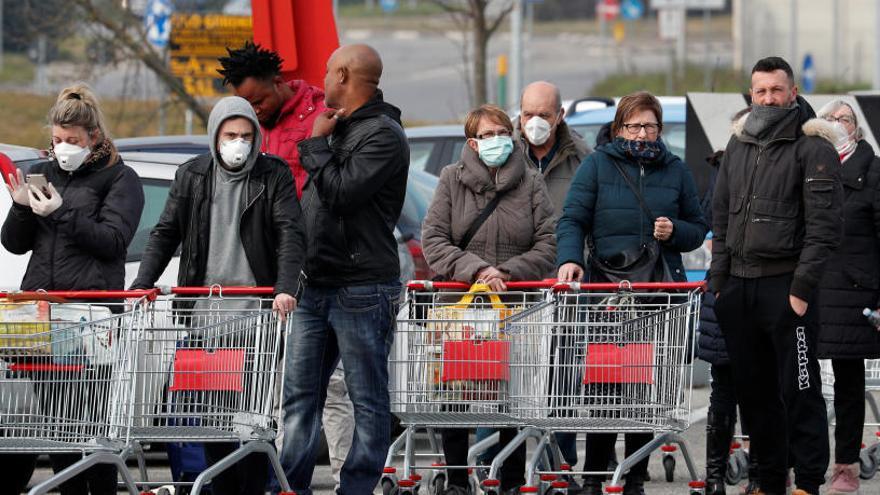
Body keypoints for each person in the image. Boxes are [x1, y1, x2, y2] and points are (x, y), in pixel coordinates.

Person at [130, 95, 305, 495]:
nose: (238, 143)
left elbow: (291, 234)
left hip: (256, 320)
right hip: (205, 321)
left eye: (246, 135)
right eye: (231, 135)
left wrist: (284, 289)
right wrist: (143, 282)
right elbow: (165, 231)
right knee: (210, 419)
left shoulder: (272, 175)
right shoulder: (192, 175)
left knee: (251, 422)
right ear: (215, 136)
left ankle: (249, 489)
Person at [556, 91, 708, 495]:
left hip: (655, 294)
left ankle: (635, 476)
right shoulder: (597, 165)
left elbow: (698, 226)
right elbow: (572, 219)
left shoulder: (675, 169)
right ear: (620, 127)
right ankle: (594, 475)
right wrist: (569, 259)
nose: (643, 134)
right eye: (635, 125)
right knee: (605, 384)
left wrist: (675, 231)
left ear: (660, 129)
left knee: (644, 390)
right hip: (608, 291)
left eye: (651, 126)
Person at [218, 40, 354, 490]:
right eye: (246, 104)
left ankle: (345, 479)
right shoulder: (250, 130)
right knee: (279, 389)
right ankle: (279, 479)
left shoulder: (319, 111)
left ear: (279, 82)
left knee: (329, 388)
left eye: (259, 100)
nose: (254, 110)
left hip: (319, 269)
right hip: (271, 273)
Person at [1, 83, 145, 494]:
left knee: (91, 430)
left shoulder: (120, 178)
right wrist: (21, 207)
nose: (64, 147)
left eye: (73, 140)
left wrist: (63, 212)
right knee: (58, 428)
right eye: (58, 140)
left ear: (93, 137)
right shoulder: (45, 174)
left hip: (89, 318)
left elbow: (113, 241)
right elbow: (14, 243)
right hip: (44, 317)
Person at [709, 56, 843, 495]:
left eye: (776, 90)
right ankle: (767, 481)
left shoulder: (813, 148)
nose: (768, 98)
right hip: (739, 291)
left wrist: (801, 292)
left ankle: (806, 483)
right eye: (760, 90)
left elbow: (824, 230)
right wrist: (719, 284)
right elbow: (722, 219)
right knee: (756, 396)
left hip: (787, 290)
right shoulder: (738, 145)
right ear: (751, 94)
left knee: (800, 391)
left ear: (793, 93)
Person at [279, 44, 408, 495]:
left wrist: (315, 143)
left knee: (367, 399)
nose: (323, 81)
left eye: (329, 72)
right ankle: (289, 484)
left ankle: (356, 486)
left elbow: (340, 193)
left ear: (345, 75)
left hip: (362, 288)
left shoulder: (383, 134)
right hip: (315, 287)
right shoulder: (340, 128)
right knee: (299, 399)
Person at [421, 103, 557, 494]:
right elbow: (433, 240)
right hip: (461, 305)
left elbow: (548, 242)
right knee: (456, 394)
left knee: (509, 396)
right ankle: (458, 479)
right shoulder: (450, 179)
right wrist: (478, 271)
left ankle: (512, 480)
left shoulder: (530, 182)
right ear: (472, 143)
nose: (496, 141)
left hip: (512, 305)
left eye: (502, 133)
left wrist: (507, 272)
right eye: (487, 135)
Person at [814, 99, 880, 495]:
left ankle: (846, 467)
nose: (837, 124)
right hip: (808, 287)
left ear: (856, 128)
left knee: (848, 384)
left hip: (853, 290)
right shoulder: (807, 162)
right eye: (829, 118)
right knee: (800, 384)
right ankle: (800, 462)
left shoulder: (872, 169)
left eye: (844, 119)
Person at [515, 80, 590, 218]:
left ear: (560, 115)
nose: (535, 123)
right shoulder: (504, 152)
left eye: (544, 115)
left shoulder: (582, 157)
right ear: (520, 114)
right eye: (528, 115)